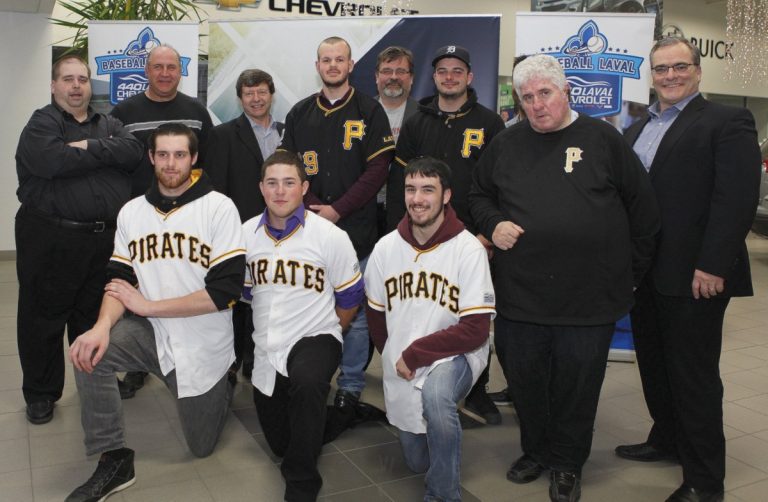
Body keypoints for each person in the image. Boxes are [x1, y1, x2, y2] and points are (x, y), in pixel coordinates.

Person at [469, 54, 660, 502]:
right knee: (527, 383)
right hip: (520, 295)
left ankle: (568, 464)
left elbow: (644, 212)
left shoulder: (604, 140)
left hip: (587, 299)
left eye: (545, 94)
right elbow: (478, 193)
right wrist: (493, 221)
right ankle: (535, 451)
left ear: (567, 91)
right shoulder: (506, 143)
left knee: (577, 388)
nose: (537, 105)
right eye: (527, 97)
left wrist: (627, 275)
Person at [614, 37, 761, 502]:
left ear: (698, 71)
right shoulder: (638, 128)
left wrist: (713, 264)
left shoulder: (726, 120)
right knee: (655, 367)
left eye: (680, 67)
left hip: (697, 276)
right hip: (646, 274)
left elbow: (735, 199)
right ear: (651, 75)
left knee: (693, 377)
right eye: (661, 69)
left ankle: (703, 479)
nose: (670, 76)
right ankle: (667, 440)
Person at [65, 123, 245, 502]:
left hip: (202, 343)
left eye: (180, 154)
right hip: (151, 335)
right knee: (91, 353)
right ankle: (114, 457)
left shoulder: (218, 207)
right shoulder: (132, 212)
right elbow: (118, 280)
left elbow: (225, 292)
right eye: (162, 154)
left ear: (194, 158)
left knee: (201, 446)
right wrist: (99, 328)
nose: (170, 163)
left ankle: (225, 380)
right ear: (150, 158)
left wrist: (147, 305)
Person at [14, 55, 143, 425]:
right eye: (67, 79)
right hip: (51, 237)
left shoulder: (110, 122)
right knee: (44, 318)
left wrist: (86, 148)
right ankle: (41, 394)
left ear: (90, 85)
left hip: (102, 240)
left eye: (82, 79)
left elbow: (132, 153)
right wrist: (105, 153)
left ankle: (95, 381)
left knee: (93, 316)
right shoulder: (42, 123)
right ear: (54, 86)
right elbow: (50, 161)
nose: (75, 86)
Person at [385, 44, 505, 428]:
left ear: (470, 77)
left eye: (457, 70)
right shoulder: (417, 120)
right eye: (442, 71)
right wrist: (398, 235)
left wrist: (487, 234)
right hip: (423, 238)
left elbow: (500, 184)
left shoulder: (489, 123)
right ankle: (428, 377)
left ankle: (477, 389)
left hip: (473, 241)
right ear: (433, 77)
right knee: (430, 309)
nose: (449, 77)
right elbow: (400, 181)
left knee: (471, 317)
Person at [365, 156, 495, 502]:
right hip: (405, 361)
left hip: (457, 354)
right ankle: (443, 431)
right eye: (410, 189)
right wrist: (394, 355)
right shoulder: (386, 248)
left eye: (428, 189)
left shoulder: (468, 248)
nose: (417, 199)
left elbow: (476, 329)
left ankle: (442, 495)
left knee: (436, 398)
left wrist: (414, 353)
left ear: (446, 195)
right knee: (417, 460)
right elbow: (376, 317)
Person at [279, 36, 394, 427]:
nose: (332, 66)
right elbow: (287, 171)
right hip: (307, 233)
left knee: (356, 316)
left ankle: (350, 386)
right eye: (325, 59)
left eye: (339, 59)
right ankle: (307, 377)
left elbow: (377, 171)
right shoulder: (298, 113)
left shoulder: (370, 110)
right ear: (318, 65)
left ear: (350, 65)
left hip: (355, 231)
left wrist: (338, 209)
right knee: (308, 307)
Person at [244, 150, 364, 502]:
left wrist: (332, 334)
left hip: (317, 335)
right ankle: (346, 415)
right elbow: (246, 293)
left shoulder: (329, 236)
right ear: (261, 188)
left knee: (309, 382)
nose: (280, 191)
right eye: (272, 183)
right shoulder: (244, 235)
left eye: (289, 183)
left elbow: (350, 297)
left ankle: (302, 486)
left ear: (304, 187)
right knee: (284, 443)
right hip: (268, 343)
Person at [110, 43, 214, 398]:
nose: (166, 73)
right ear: (147, 70)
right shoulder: (123, 111)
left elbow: (207, 164)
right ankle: (138, 365)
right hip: (140, 218)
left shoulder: (197, 112)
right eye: (159, 67)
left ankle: (189, 356)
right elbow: (114, 164)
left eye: (172, 67)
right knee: (139, 287)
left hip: (187, 218)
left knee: (180, 285)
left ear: (179, 72)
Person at [206, 69, 284, 379]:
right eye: (249, 93)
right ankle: (237, 358)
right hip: (239, 229)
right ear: (240, 98)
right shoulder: (222, 135)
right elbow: (216, 190)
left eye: (261, 92)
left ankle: (262, 355)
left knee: (270, 294)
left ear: (271, 95)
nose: (256, 99)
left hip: (280, 230)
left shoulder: (286, 133)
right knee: (239, 299)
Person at [373, 45, 419, 237]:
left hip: (409, 213)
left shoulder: (424, 117)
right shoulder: (360, 114)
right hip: (366, 212)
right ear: (376, 77)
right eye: (386, 71)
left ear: (412, 78)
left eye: (400, 71)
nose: (393, 77)